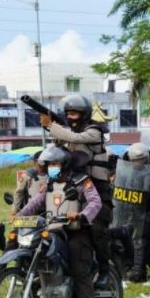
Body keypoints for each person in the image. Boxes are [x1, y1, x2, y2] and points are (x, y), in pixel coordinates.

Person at [16, 146, 104, 298]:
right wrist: (19, 215)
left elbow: (95, 201)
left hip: (76, 230)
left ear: (64, 165)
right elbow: (35, 202)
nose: (51, 167)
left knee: (78, 266)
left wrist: (80, 214)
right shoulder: (49, 183)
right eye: (48, 164)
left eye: (54, 164)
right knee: (36, 253)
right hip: (54, 229)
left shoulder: (81, 181)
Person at [40, 95, 113, 284]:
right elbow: (57, 150)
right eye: (68, 114)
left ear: (84, 114)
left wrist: (52, 126)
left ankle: (105, 270)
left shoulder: (94, 131)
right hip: (72, 186)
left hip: (97, 188)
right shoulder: (64, 132)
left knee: (96, 229)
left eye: (74, 114)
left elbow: (75, 137)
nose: (71, 118)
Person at [110, 143, 150, 282]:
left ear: (147, 159)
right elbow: (117, 190)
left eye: (141, 160)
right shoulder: (125, 173)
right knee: (138, 241)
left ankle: (138, 272)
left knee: (140, 240)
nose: (138, 163)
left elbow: (148, 193)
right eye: (135, 160)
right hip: (130, 212)